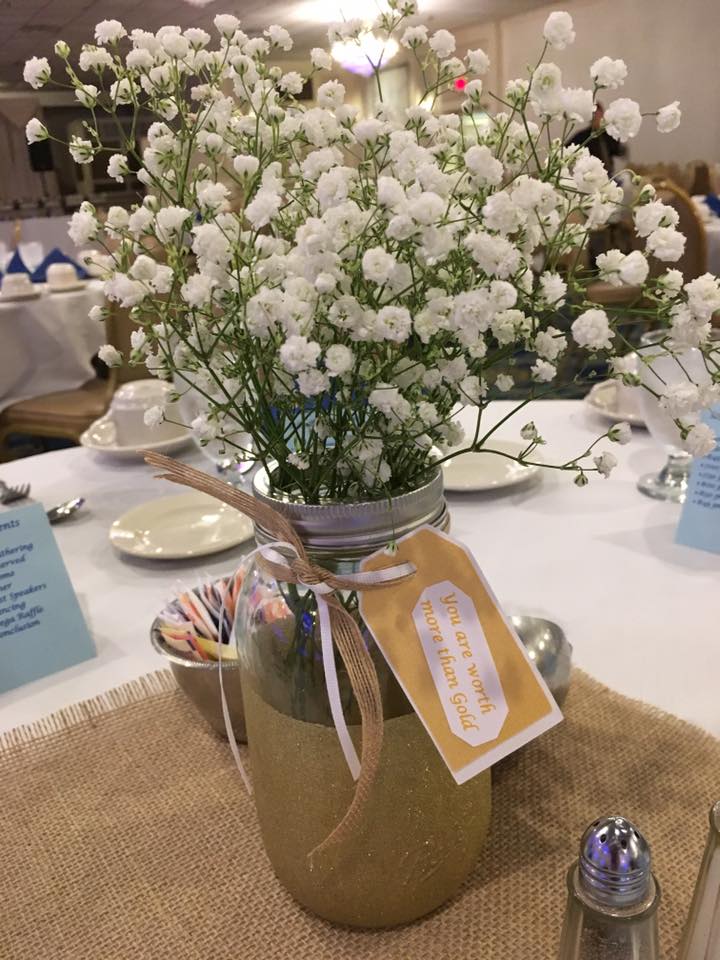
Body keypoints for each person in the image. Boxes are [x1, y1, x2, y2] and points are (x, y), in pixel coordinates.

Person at [566, 102, 626, 175]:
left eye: (599, 115)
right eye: (595, 115)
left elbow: (619, 151)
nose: (597, 118)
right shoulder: (582, 136)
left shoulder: (609, 134)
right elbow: (566, 150)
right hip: (591, 175)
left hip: (609, 174)